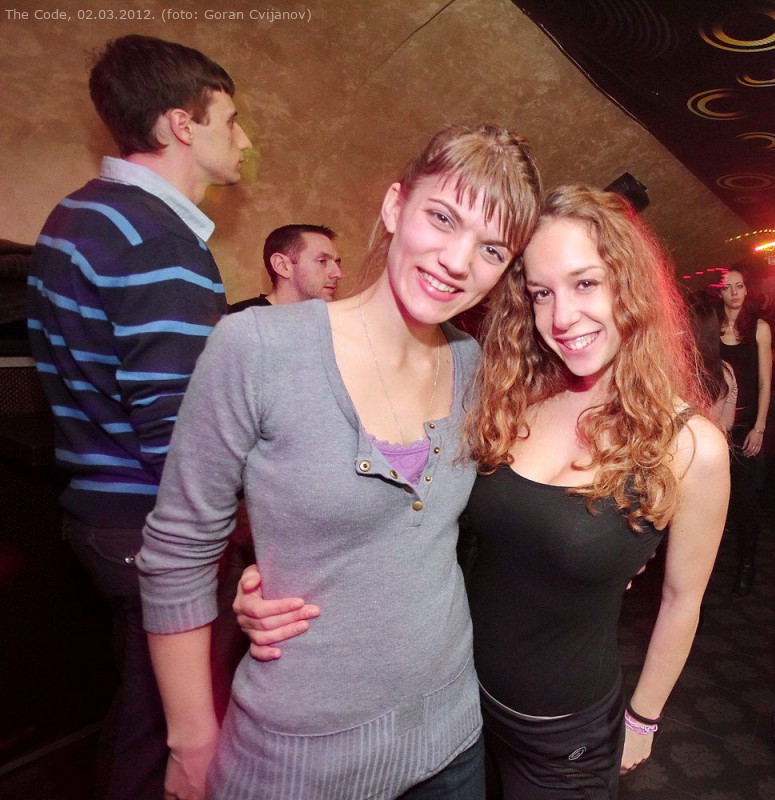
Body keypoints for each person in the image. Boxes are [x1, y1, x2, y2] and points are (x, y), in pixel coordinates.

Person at [235, 185, 729, 798]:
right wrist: (282, 577)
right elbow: (409, 518)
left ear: (630, 286)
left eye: (585, 283)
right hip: (452, 706)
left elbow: (682, 600)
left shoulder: (690, 445)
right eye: (542, 293)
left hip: (562, 736)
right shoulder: (510, 399)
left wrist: (643, 719)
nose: (562, 317)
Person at [137, 123, 542, 800]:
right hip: (299, 756)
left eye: (491, 248)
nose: (456, 260)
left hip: (451, 739)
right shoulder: (257, 347)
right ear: (395, 206)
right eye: (443, 218)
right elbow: (179, 548)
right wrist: (191, 739)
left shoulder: (472, 366)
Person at [25, 34, 252, 800]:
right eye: (230, 120)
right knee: (176, 743)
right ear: (182, 124)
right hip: (154, 530)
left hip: (101, 517)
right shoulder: (157, 242)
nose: (243, 140)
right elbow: (184, 440)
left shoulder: (79, 214)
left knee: (141, 719)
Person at [718, 267, 771, 596]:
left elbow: (765, 382)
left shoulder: (759, 328)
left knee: (746, 500)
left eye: (739, 286)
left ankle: (747, 565)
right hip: (715, 428)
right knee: (714, 499)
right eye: (728, 287)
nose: (735, 292)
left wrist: (759, 427)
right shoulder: (711, 327)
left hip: (747, 426)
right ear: (719, 292)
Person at [228, 224, 342, 311]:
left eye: (337, 263)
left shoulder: (329, 322)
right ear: (282, 266)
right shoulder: (239, 321)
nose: (338, 274)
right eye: (322, 261)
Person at [690, 299, 736, 433]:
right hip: (714, 441)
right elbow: (727, 424)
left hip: (684, 443)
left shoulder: (679, 372)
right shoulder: (727, 371)